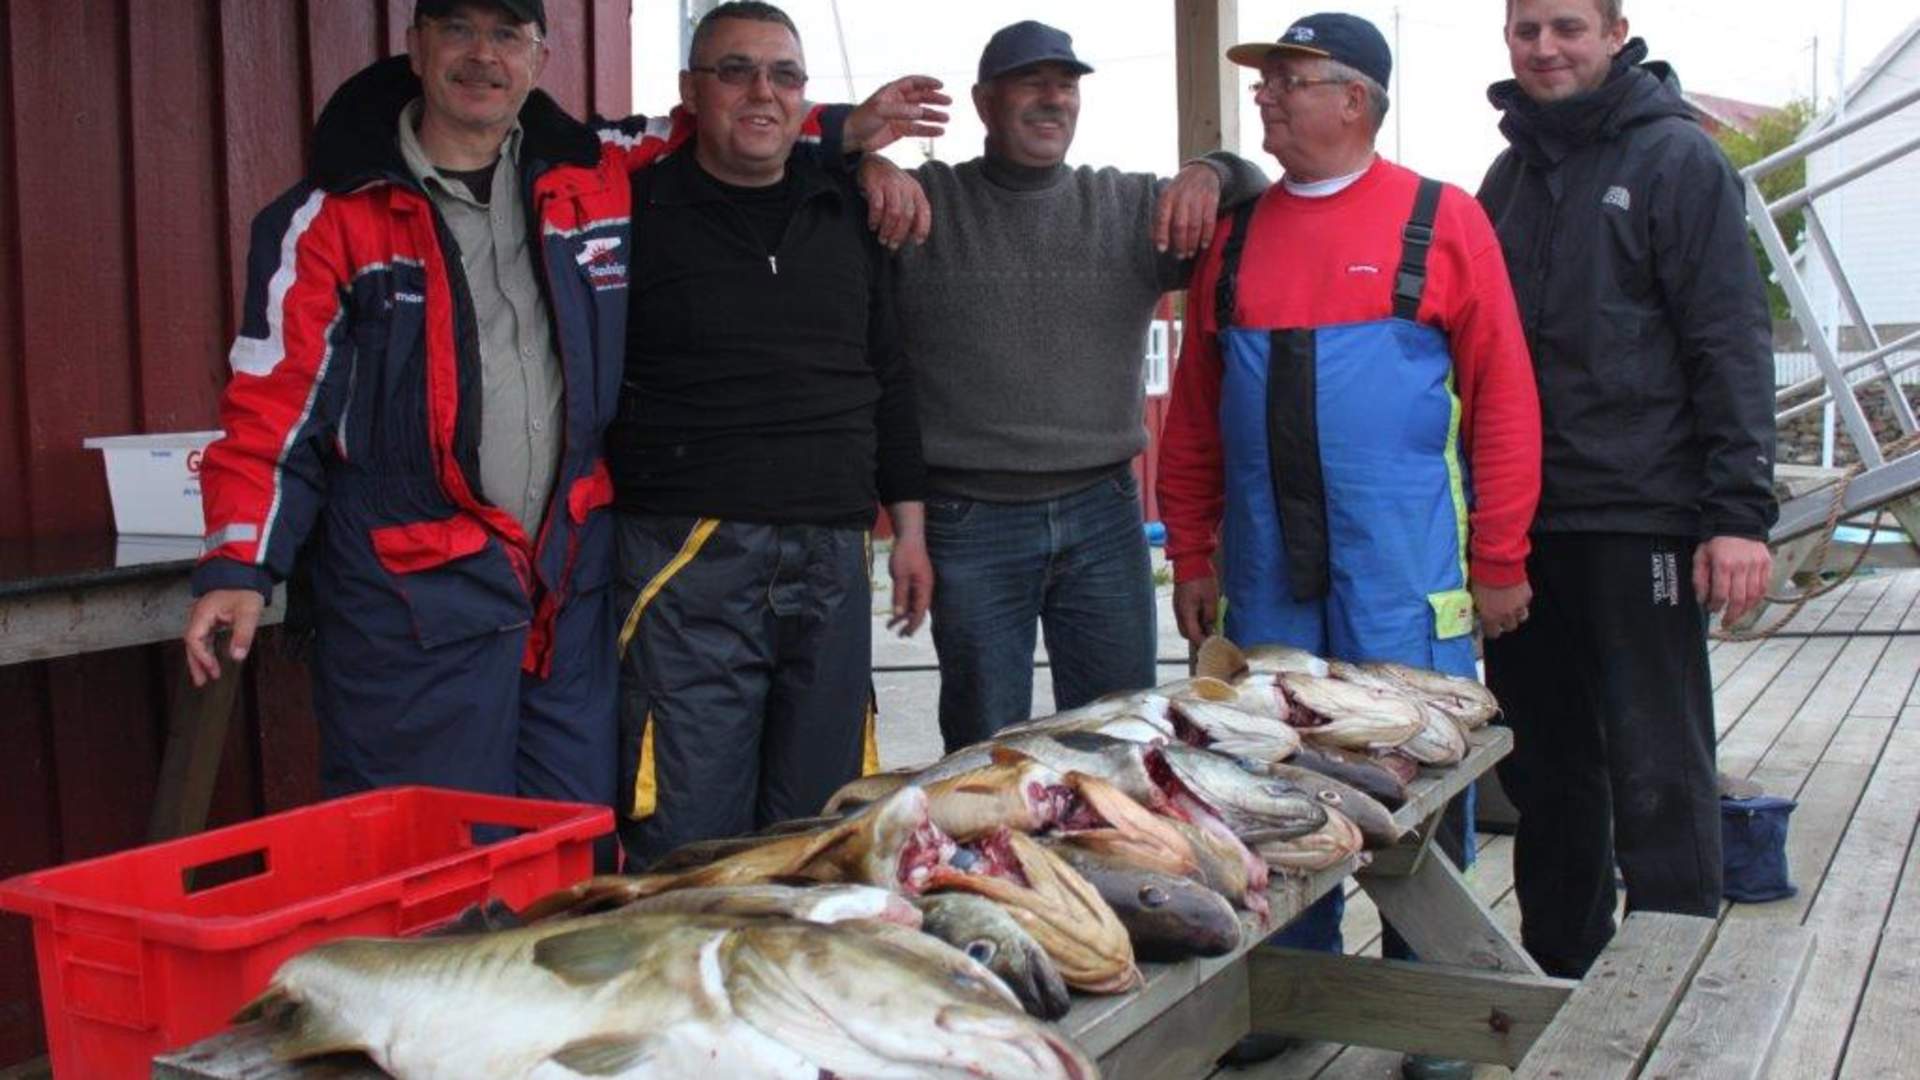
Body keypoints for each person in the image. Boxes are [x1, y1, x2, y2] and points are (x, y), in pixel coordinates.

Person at [181, 0, 942, 863]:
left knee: (572, 845)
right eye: (459, 31)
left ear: (539, 56)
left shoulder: (587, 173)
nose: (483, 56)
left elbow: (729, 128)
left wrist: (854, 146)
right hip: (414, 581)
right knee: (428, 853)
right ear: (416, 47)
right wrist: (241, 562)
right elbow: (272, 406)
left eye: (507, 35)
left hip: (563, 577)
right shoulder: (328, 218)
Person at [1158, 14, 1540, 1074]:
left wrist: (1501, 558)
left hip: (1401, 573)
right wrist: (1191, 549)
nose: (1269, 96)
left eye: (1291, 79)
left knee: (1419, 771)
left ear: (1356, 99)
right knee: (1273, 770)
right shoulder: (1233, 237)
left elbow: (1505, 397)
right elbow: (1194, 413)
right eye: (1266, 80)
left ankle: (1438, 999)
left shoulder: (1442, 219)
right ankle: (1298, 981)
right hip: (1270, 576)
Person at [865, 20, 1267, 754]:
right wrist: (863, 166)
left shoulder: (1128, 208)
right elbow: (804, 189)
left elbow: (1258, 190)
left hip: (1105, 518)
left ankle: (1109, 870)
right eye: (1031, 82)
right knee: (987, 752)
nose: (1053, 99)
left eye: (1067, 84)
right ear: (986, 102)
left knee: (1123, 739)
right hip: (969, 520)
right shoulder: (922, 206)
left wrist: (1209, 169)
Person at [1478, 0, 1777, 980]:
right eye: (1528, 31)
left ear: (1615, 34)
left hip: (1644, 518)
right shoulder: (1507, 176)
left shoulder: (1680, 161)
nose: (1545, 48)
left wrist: (1737, 515)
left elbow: (1731, 343)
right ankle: (1562, 975)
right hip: (1528, 527)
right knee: (1546, 770)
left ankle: (1667, 987)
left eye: (1567, 27)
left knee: (1658, 769)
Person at [610, 1, 931, 865]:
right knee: (689, 829)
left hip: (830, 549)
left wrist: (909, 530)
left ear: (806, 98)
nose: (762, 92)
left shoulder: (850, 209)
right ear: (690, 91)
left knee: (818, 828)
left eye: (784, 75)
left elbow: (890, 376)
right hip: (690, 552)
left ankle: (795, 991)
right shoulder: (633, 207)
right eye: (735, 70)